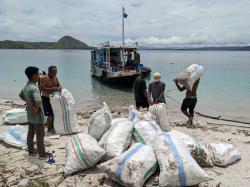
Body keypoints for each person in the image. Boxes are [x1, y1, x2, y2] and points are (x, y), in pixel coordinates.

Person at [19, 66, 47, 159]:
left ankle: (31, 152)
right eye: (38, 74)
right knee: (40, 136)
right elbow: (38, 101)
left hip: (30, 115)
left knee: (30, 133)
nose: (39, 76)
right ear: (34, 75)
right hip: (37, 116)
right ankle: (42, 155)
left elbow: (21, 95)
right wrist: (35, 107)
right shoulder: (34, 88)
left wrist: (29, 103)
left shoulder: (26, 86)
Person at [39, 66, 62, 133]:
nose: (55, 73)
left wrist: (59, 89)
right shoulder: (44, 78)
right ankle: (49, 129)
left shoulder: (55, 77)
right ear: (49, 71)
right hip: (46, 98)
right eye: (53, 72)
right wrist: (53, 89)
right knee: (50, 114)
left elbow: (59, 86)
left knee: (55, 113)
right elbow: (42, 88)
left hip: (54, 98)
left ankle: (53, 127)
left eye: (56, 72)